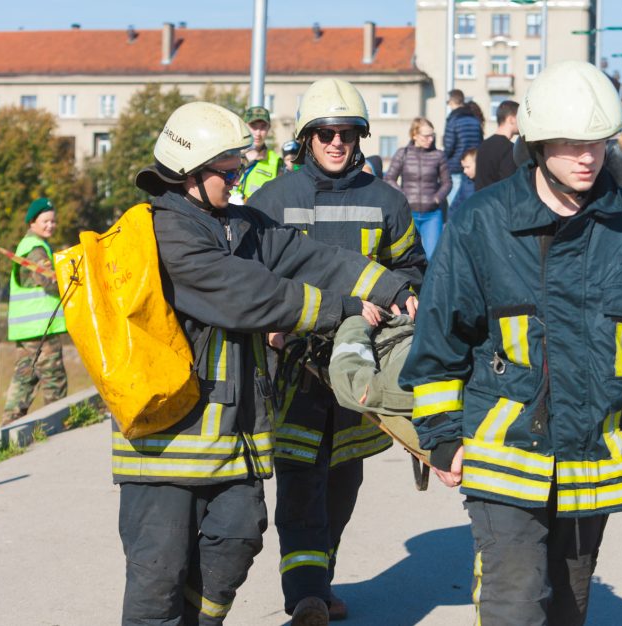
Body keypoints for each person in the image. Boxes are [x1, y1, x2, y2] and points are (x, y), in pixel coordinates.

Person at [399, 60, 622, 626]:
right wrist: (438, 437)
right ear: (537, 143)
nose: (588, 157)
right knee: (516, 603)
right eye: (571, 143)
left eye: (598, 143)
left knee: (567, 609)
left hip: (593, 464)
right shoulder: (483, 221)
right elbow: (440, 337)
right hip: (502, 454)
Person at [121, 101, 413, 625]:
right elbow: (248, 294)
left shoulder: (236, 224)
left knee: (238, 536)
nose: (237, 180)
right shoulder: (164, 233)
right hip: (167, 438)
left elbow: (309, 257)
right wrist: (339, 308)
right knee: (158, 575)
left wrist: (388, 287)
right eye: (228, 171)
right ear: (191, 173)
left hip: (232, 433)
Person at [249, 78, 425, 625]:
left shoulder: (387, 201)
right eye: (324, 132)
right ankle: (304, 594)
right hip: (294, 367)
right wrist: (275, 327)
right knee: (301, 477)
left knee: (343, 481)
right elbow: (249, 280)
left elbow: (413, 269)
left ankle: (319, 581)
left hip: (361, 367)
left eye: (346, 132)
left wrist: (399, 303)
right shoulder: (270, 201)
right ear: (305, 137)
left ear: (360, 137)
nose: (335, 142)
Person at [3, 197, 68, 425]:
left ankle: (6, 432)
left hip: (26, 329)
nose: (50, 225)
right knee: (54, 381)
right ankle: (56, 428)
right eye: (45, 221)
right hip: (41, 330)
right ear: (32, 222)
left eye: (53, 221)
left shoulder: (28, 245)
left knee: (24, 381)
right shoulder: (35, 248)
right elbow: (49, 281)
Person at [384, 117, 452, 259]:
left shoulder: (439, 155)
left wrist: (437, 198)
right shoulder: (402, 153)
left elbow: (447, 183)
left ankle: (428, 282)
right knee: (408, 257)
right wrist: (404, 197)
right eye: (426, 135)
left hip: (432, 215)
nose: (430, 139)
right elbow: (389, 178)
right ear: (414, 135)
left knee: (432, 256)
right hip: (408, 215)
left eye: (432, 135)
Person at [442, 89, 483, 208]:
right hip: (473, 168)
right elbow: (480, 143)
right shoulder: (475, 120)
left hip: (455, 167)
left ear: (452, 101)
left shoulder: (453, 120)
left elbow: (449, 146)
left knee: (455, 206)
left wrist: (443, 161)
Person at [235, 105, 283, 201]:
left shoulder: (276, 162)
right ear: (245, 126)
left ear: (268, 128)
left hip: (255, 214)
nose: (258, 133)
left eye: (263, 127)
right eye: (253, 126)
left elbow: (278, 199)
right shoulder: (231, 155)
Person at [474, 99, 519, 190]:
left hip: (482, 201)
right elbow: (508, 186)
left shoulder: (483, 146)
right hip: (499, 202)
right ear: (511, 119)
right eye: (520, 118)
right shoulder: (509, 149)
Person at [448, 148, 476, 219]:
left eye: (467, 167)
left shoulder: (487, 182)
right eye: (463, 167)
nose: (464, 171)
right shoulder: (466, 182)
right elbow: (455, 205)